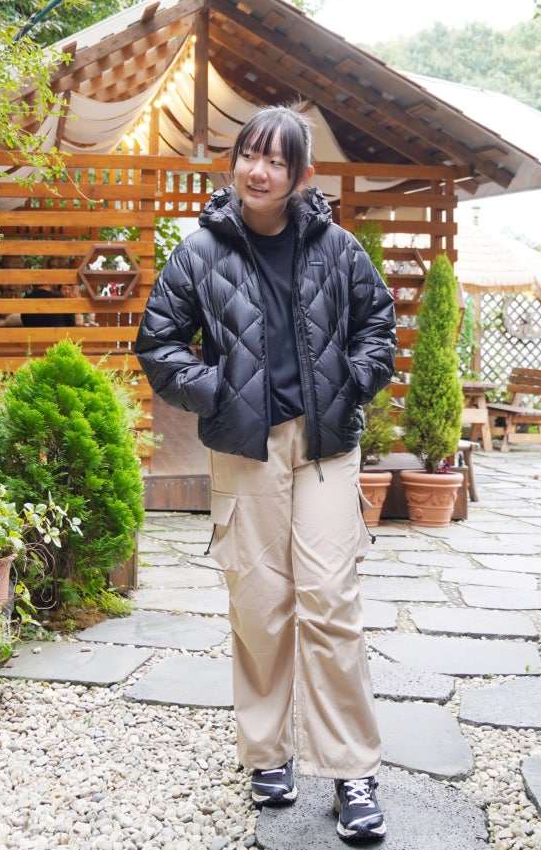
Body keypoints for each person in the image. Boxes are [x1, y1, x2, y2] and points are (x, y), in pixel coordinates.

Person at [135, 103, 396, 843]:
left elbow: (378, 326)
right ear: (235, 163)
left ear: (299, 176)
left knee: (330, 600)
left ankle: (351, 771)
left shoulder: (338, 249)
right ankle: (268, 753)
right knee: (258, 604)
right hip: (245, 446)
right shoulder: (199, 253)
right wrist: (217, 391)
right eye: (249, 154)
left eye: (276, 160)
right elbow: (158, 343)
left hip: (325, 445)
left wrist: (351, 383)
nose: (258, 170)